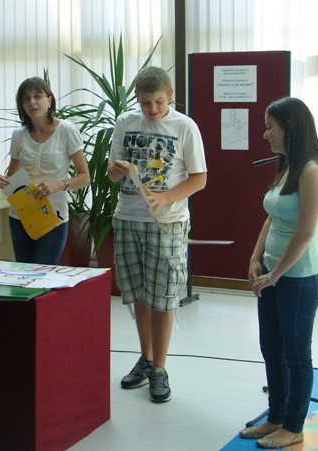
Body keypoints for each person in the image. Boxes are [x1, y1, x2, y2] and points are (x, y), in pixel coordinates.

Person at [107, 66, 207, 403]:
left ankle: (160, 368)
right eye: (145, 102)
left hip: (168, 222)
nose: (152, 109)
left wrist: (165, 198)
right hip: (128, 218)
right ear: (137, 97)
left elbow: (199, 178)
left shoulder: (184, 126)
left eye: (159, 102)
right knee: (139, 294)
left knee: (162, 297)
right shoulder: (125, 122)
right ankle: (146, 359)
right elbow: (112, 172)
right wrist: (115, 170)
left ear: (170, 96)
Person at [239, 97, 318, 449]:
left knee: (296, 354)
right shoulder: (287, 166)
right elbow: (272, 217)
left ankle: (293, 427)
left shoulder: (312, 171)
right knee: (271, 348)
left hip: (300, 279)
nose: (265, 134)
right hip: (273, 274)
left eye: (269, 127)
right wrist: (256, 257)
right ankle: (275, 417)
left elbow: (305, 233)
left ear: (289, 127)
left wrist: (275, 274)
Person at [0, 76, 90, 264]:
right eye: (26, 98)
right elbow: (12, 175)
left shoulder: (66, 130)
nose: (32, 102)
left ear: (49, 100)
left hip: (53, 217)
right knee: (24, 274)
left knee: (43, 274)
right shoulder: (18, 135)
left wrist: (58, 185)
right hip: (20, 215)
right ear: (22, 105)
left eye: (37, 96)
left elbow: (85, 177)